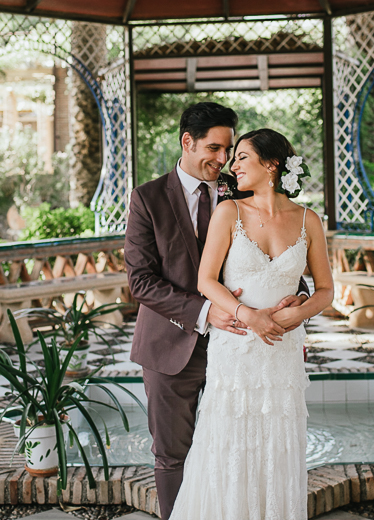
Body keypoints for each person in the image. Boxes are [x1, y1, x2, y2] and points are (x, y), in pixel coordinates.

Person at [125, 104, 310, 520]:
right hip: (171, 347)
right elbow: (141, 282)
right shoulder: (148, 198)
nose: (224, 159)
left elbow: (274, 254)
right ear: (186, 142)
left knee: (242, 449)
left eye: (229, 149)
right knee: (172, 455)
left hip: (245, 351)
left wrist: (296, 296)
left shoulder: (242, 188)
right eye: (214, 148)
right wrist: (206, 311)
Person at [168, 128, 334, 520]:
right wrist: (249, 315)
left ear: (271, 165)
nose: (232, 164)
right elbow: (205, 280)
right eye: (233, 157)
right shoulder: (229, 212)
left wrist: (300, 311)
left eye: (242, 157)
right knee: (229, 443)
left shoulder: (308, 220)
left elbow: (326, 290)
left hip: (283, 353)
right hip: (237, 346)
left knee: (278, 443)